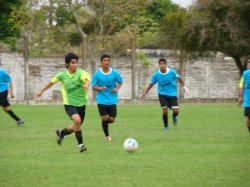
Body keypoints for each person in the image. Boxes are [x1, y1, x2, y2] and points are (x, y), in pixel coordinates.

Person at [36, 53, 90, 152]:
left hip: (81, 104)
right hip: (69, 104)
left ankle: (61, 133)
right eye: (73, 63)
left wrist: (86, 85)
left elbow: (86, 79)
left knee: (75, 127)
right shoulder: (62, 75)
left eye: (76, 63)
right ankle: (81, 146)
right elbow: (51, 82)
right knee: (77, 121)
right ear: (67, 64)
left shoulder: (81, 73)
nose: (75, 65)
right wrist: (41, 91)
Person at [141, 58, 188, 130]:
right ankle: (166, 127)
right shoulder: (156, 75)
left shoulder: (172, 72)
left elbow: (179, 78)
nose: (162, 65)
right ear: (159, 65)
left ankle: (174, 116)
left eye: (163, 64)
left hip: (172, 94)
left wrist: (184, 87)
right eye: (160, 64)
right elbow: (151, 84)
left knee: (176, 111)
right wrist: (145, 92)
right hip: (162, 94)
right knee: (165, 110)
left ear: (166, 65)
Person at [91, 54, 123, 141]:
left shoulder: (115, 73)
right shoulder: (97, 74)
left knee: (112, 119)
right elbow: (93, 86)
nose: (106, 62)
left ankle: (103, 124)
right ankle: (107, 136)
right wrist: (100, 88)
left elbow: (120, 82)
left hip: (112, 100)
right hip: (101, 99)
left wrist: (116, 88)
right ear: (101, 62)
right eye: (104, 60)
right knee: (104, 117)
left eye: (108, 60)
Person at [238, 58, 250, 133]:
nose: (249, 64)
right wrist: (241, 97)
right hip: (248, 101)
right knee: (247, 119)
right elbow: (241, 86)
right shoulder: (245, 73)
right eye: (248, 63)